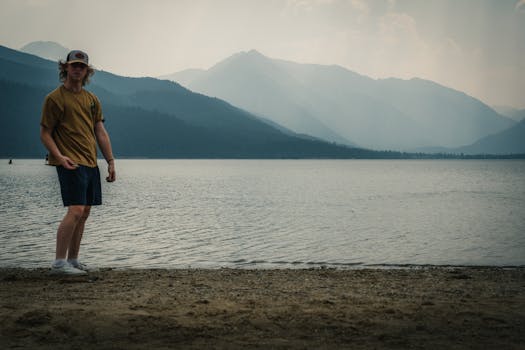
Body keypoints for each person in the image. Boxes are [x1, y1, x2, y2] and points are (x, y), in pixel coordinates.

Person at [40, 50, 116, 275]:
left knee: (84, 213)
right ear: (65, 68)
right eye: (73, 65)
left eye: (81, 67)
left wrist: (110, 161)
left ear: (87, 71)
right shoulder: (54, 98)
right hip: (69, 162)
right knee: (75, 210)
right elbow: (45, 133)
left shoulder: (92, 100)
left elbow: (100, 131)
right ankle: (58, 263)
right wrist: (59, 156)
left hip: (90, 163)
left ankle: (73, 260)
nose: (77, 69)